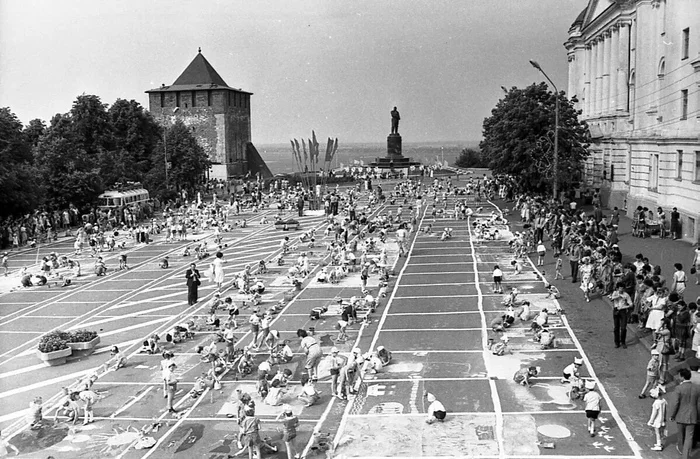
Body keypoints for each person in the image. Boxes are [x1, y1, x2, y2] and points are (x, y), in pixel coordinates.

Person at [670, 368, 700, 458]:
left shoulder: (679, 388)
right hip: (693, 415)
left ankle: (680, 449)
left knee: (680, 435)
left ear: (682, 377)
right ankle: (685, 455)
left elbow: (675, 403)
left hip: (680, 415)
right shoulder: (697, 388)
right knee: (689, 437)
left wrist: (672, 415)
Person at [609, 282, 632, 348]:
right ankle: (617, 342)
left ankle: (623, 341)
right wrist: (619, 296)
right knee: (616, 327)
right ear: (617, 288)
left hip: (623, 310)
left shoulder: (626, 295)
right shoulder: (615, 293)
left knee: (623, 328)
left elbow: (630, 304)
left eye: (622, 288)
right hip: (616, 310)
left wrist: (626, 307)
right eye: (619, 288)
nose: (621, 289)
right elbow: (612, 298)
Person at [647, 385, 667, 451]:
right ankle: (660, 442)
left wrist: (651, 421)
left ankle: (658, 444)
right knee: (661, 431)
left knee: (657, 432)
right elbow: (665, 411)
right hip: (662, 418)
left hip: (657, 420)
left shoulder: (656, 403)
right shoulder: (664, 401)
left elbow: (654, 413)